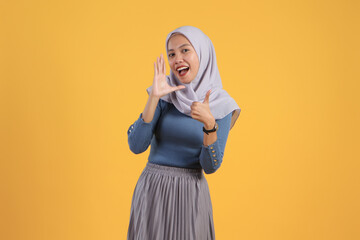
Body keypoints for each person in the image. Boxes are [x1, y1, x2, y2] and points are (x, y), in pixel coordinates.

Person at [126, 26, 241, 240]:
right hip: (153, 190)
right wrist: (154, 97)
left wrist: (209, 123)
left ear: (203, 53)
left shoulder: (221, 105)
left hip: (191, 194)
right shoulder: (166, 94)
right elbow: (136, 145)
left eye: (185, 50)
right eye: (171, 54)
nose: (177, 58)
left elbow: (210, 166)